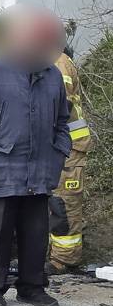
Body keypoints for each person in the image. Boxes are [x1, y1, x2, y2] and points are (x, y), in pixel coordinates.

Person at [0, 5, 70, 306]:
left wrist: (58, 152)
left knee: (36, 235)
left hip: (39, 172)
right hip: (1, 170)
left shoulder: (52, 77)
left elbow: (63, 123)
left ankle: (32, 288)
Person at [48, 51, 91, 273]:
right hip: (59, 146)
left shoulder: (57, 61)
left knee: (64, 204)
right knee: (55, 203)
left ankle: (65, 259)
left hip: (69, 147)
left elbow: (57, 100)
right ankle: (54, 253)